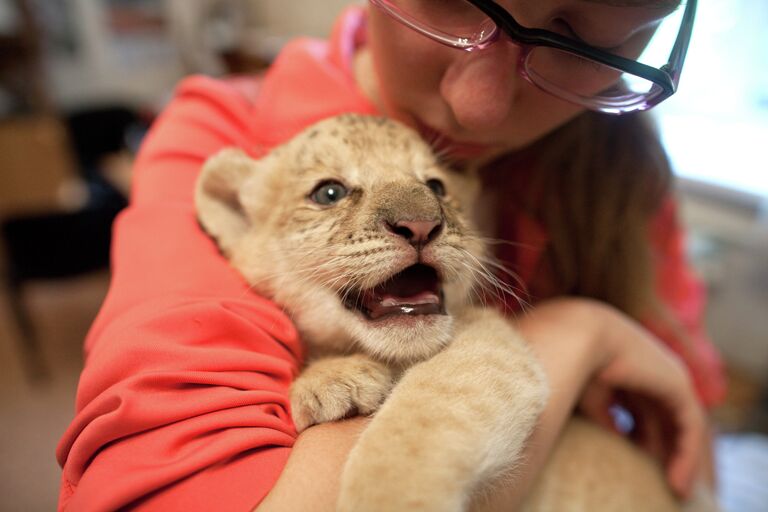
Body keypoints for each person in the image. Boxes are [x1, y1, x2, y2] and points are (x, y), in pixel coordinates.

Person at [56, 0, 726, 510]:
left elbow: (686, 443)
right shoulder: (222, 141)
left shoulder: (629, 169)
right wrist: (579, 332)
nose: (479, 109)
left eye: (584, 43)